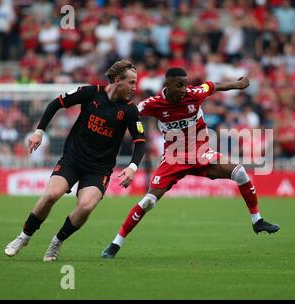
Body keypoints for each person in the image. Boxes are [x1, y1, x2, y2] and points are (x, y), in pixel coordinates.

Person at [101, 67, 280, 259]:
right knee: (148, 201)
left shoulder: (194, 94)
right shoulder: (154, 104)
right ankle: (115, 243)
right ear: (167, 85)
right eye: (179, 85)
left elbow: (214, 86)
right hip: (173, 159)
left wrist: (238, 84)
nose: (184, 89)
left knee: (240, 173)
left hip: (202, 153)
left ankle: (257, 220)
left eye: (186, 84)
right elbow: (130, 112)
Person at [4, 60, 146, 261]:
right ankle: (23, 237)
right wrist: (39, 132)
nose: (134, 87)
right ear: (117, 80)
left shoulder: (130, 110)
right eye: (131, 82)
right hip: (73, 159)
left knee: (86, 206)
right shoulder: (90, 93)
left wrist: (132, 167)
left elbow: (140, 141)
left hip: (99, 169)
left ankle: (57, 241)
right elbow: (55, 104)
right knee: (51, 195)